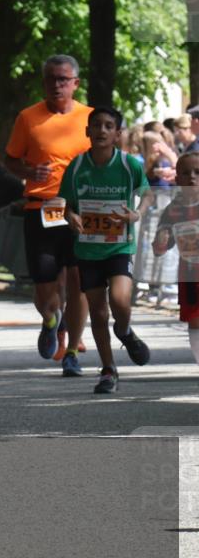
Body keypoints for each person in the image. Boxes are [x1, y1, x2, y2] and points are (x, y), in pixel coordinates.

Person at [5, 54, 92, 376]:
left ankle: (71, 351)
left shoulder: (90, 118)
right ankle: (51, 319)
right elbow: (10, 160)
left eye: (63, 79)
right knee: (45, 286)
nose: (57, 84)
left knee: (79, 281)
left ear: (75, 83)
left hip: (81, 210)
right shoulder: (28, 118)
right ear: (44, 82)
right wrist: (29, 170)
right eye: (51, 79)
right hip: (42, 207)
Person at [59, 107, 153, 394]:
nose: (101, 130)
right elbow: (64, 204)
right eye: (96, 125)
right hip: (88, 250)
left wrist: (137, 213)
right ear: (87, 131)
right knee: (98, 314)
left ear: (117, 134)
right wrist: (70, 216)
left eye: (108, 125)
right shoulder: (76, 167)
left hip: (119, 246)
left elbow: (147, 193)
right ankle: (108, 369)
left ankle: (123, 330)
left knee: (121, 301)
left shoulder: (128, 165)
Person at [153, 151, 199, 365]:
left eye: (198, 172)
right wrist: (162, 240)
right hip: (189, 275)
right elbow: (160, 247)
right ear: (177, 178)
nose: (192, 177)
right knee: (195, 321)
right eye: (186, 173)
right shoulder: (173, 209)